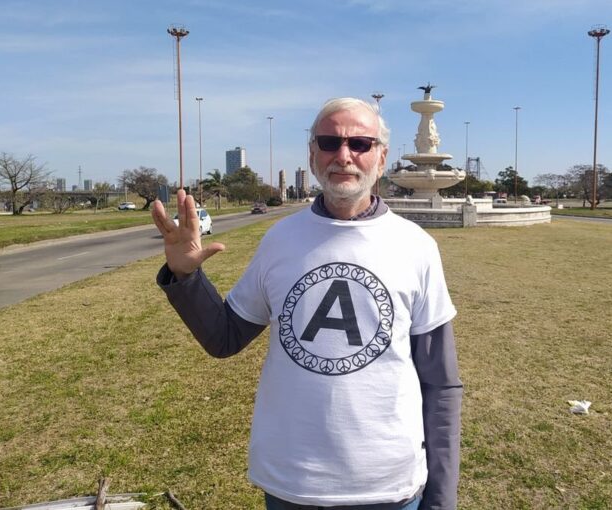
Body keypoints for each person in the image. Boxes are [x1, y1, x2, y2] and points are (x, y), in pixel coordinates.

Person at [152, 97, 462, 510]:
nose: (344, 156)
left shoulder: (416, 247)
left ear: (382, 157)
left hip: (388, 487)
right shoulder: (280, 240)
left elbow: (440, 384)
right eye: (330, 142)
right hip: (292, 483)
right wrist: (185, 277)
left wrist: (441, 499)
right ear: (313, 155)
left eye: (360, 143)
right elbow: (223, 338)